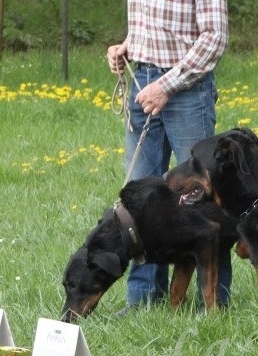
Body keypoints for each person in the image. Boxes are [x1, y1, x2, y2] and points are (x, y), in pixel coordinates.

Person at [107, 0, 230, 314]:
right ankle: (144, 298)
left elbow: (214, 37)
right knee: (138, 199)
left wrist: (166, 85)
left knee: (201, 195)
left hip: (187, 90)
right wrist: (127, 46)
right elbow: (156, 25)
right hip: (142, 80)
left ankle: (214, 303)